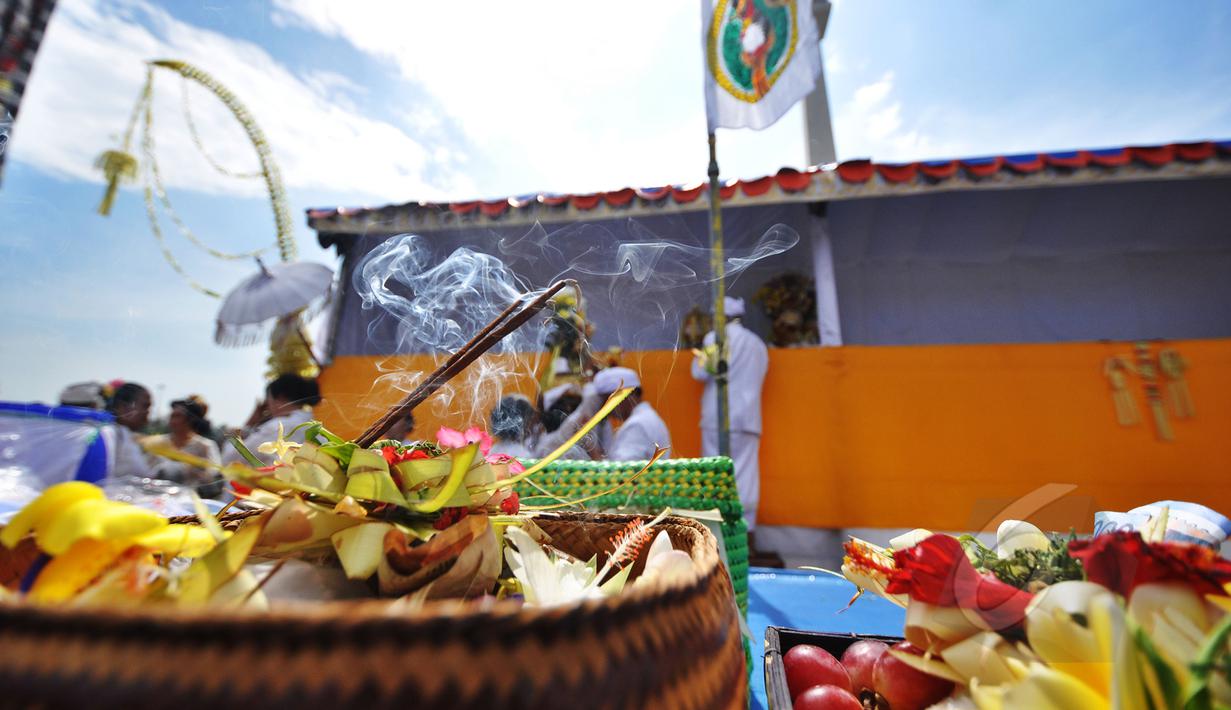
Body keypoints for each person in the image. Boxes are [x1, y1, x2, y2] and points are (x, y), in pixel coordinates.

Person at [691, 296, 769, 532]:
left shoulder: (714, 338)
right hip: (748, 418)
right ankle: (746, 530)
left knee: (715, 473)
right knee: (746, 474)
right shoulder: (757, 344)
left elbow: (699, 373)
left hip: (717, 416)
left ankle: (719, 530)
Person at [223, 374, 321, 466]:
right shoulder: (314, 423)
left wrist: (235, 434)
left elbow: (230, 461)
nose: (268, 408)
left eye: (268, 401)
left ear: (280, 397)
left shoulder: (279, 426)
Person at [142, 396, 222, 495]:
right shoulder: (157, 442)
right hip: (154, 496)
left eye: (177, 416)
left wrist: (189, 467)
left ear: (191, 419)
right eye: (171, 416)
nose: (171, 420)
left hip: (188, 500)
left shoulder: (205, 446)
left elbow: (212, 479)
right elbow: (143, 471)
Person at [591, 366, 671, 461]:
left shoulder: (637, 425)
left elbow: (623, 468)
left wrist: (593, 452)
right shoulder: (645, 418)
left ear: (629, 395)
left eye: (608, 401)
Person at [104, 381, 153, 477]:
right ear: (122, 407)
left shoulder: (121, 434)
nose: (148, 412)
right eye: (145, 406)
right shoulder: (114, 436)